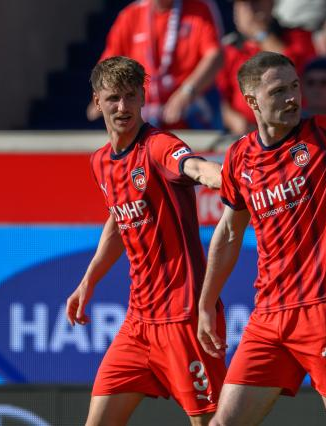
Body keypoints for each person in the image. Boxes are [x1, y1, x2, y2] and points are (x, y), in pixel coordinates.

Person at [197, 17, 326, 425]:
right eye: (278, 91)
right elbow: (228, 233)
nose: (293, 98)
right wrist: (207, 302)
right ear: (252, 101)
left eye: (294, 86)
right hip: (268, 315)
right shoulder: (240, 156)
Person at [66, 56, 226, 426]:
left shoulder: (158, 146)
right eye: (113, 98)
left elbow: (194, 166)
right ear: (97, 101)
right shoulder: (100, 162)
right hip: (138, 322)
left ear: (143, 96)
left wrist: (219, 176)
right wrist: (88, 282)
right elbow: (118, 221)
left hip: (184, 316)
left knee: (212, 422)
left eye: (130, 96)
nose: (122, 107)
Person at [87, 0, 224, 130]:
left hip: (189, 116)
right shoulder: (130, 14)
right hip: (142, 115)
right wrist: (104, 96)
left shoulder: (199, 8)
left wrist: (186, 92)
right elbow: (108, 65)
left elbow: (215, 56)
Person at [216, 0, 316, 135]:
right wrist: (233, 120)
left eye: (255, 2)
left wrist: (261, 34)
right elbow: (218, 96)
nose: (249, 9)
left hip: (295, 131)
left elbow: (290, 72)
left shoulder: (298, 36)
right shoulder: (228, 49)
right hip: (246, 135)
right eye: (242, 4)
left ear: (272, 4)